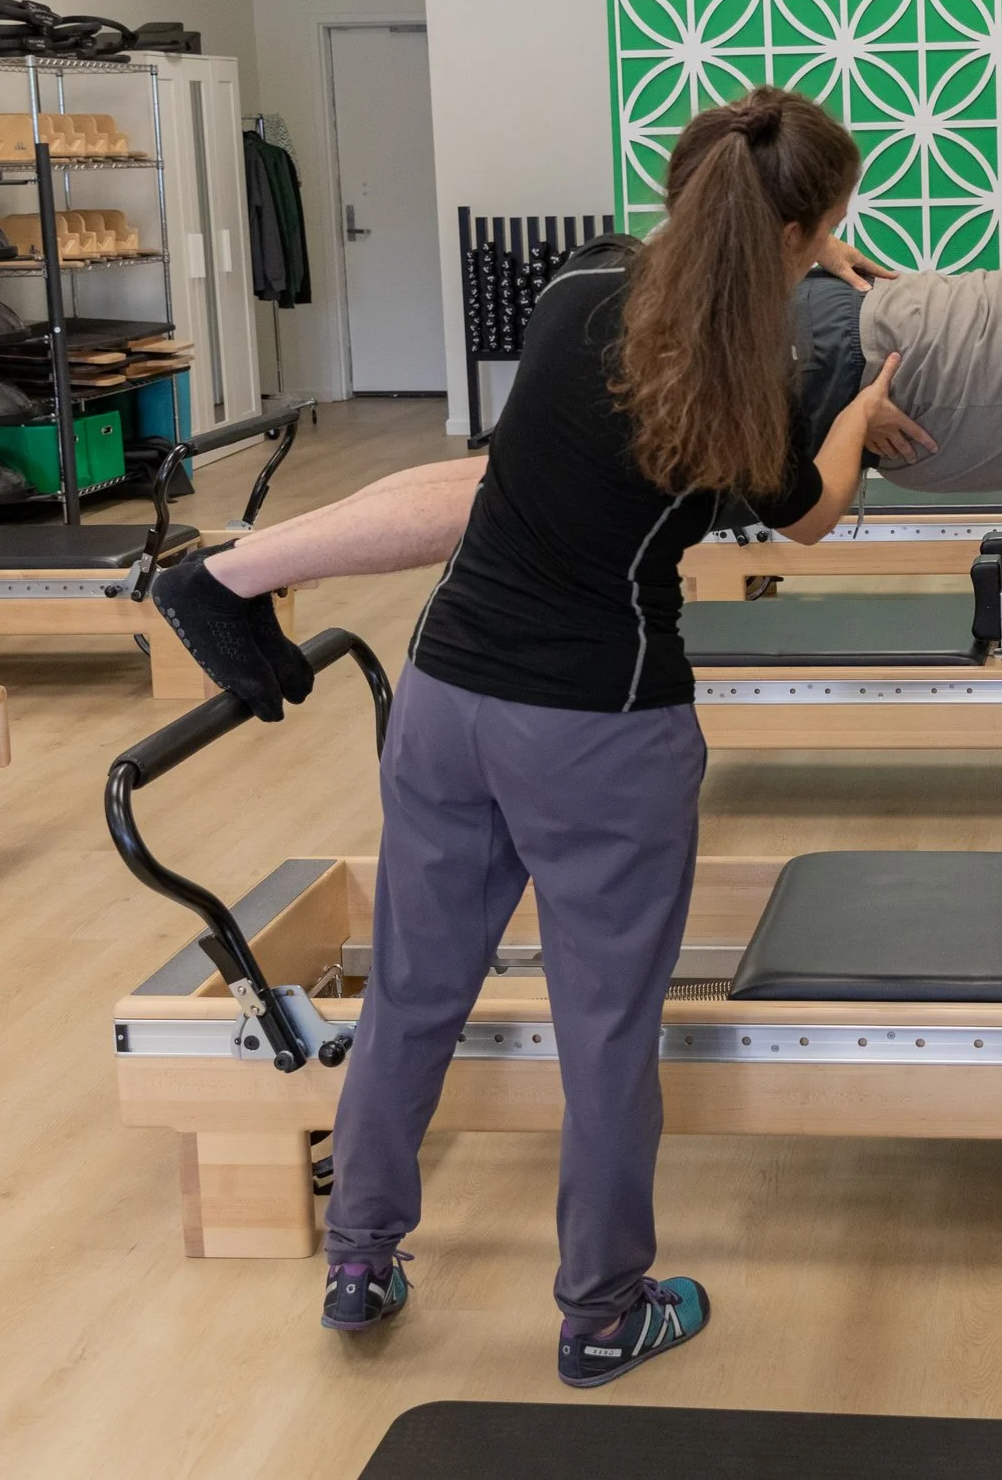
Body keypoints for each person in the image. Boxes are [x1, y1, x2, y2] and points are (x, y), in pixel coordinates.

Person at [154, 87, 910, 1387]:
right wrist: (857, 411)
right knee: (603, 1028)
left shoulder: (573, 289)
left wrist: (799, 240)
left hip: (446, 697)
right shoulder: (753, 390)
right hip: (602, 728)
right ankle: (603, 1308)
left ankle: (360, 1255)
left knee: (414, 990)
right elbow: (812, 512)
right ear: (800, 235)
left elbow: (684, 252)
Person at [169, 169, 1002, 875]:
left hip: (834, 347)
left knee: (511, 480)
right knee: (517, 496)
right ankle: (227, 576)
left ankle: (236, 570)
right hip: (825, 374)